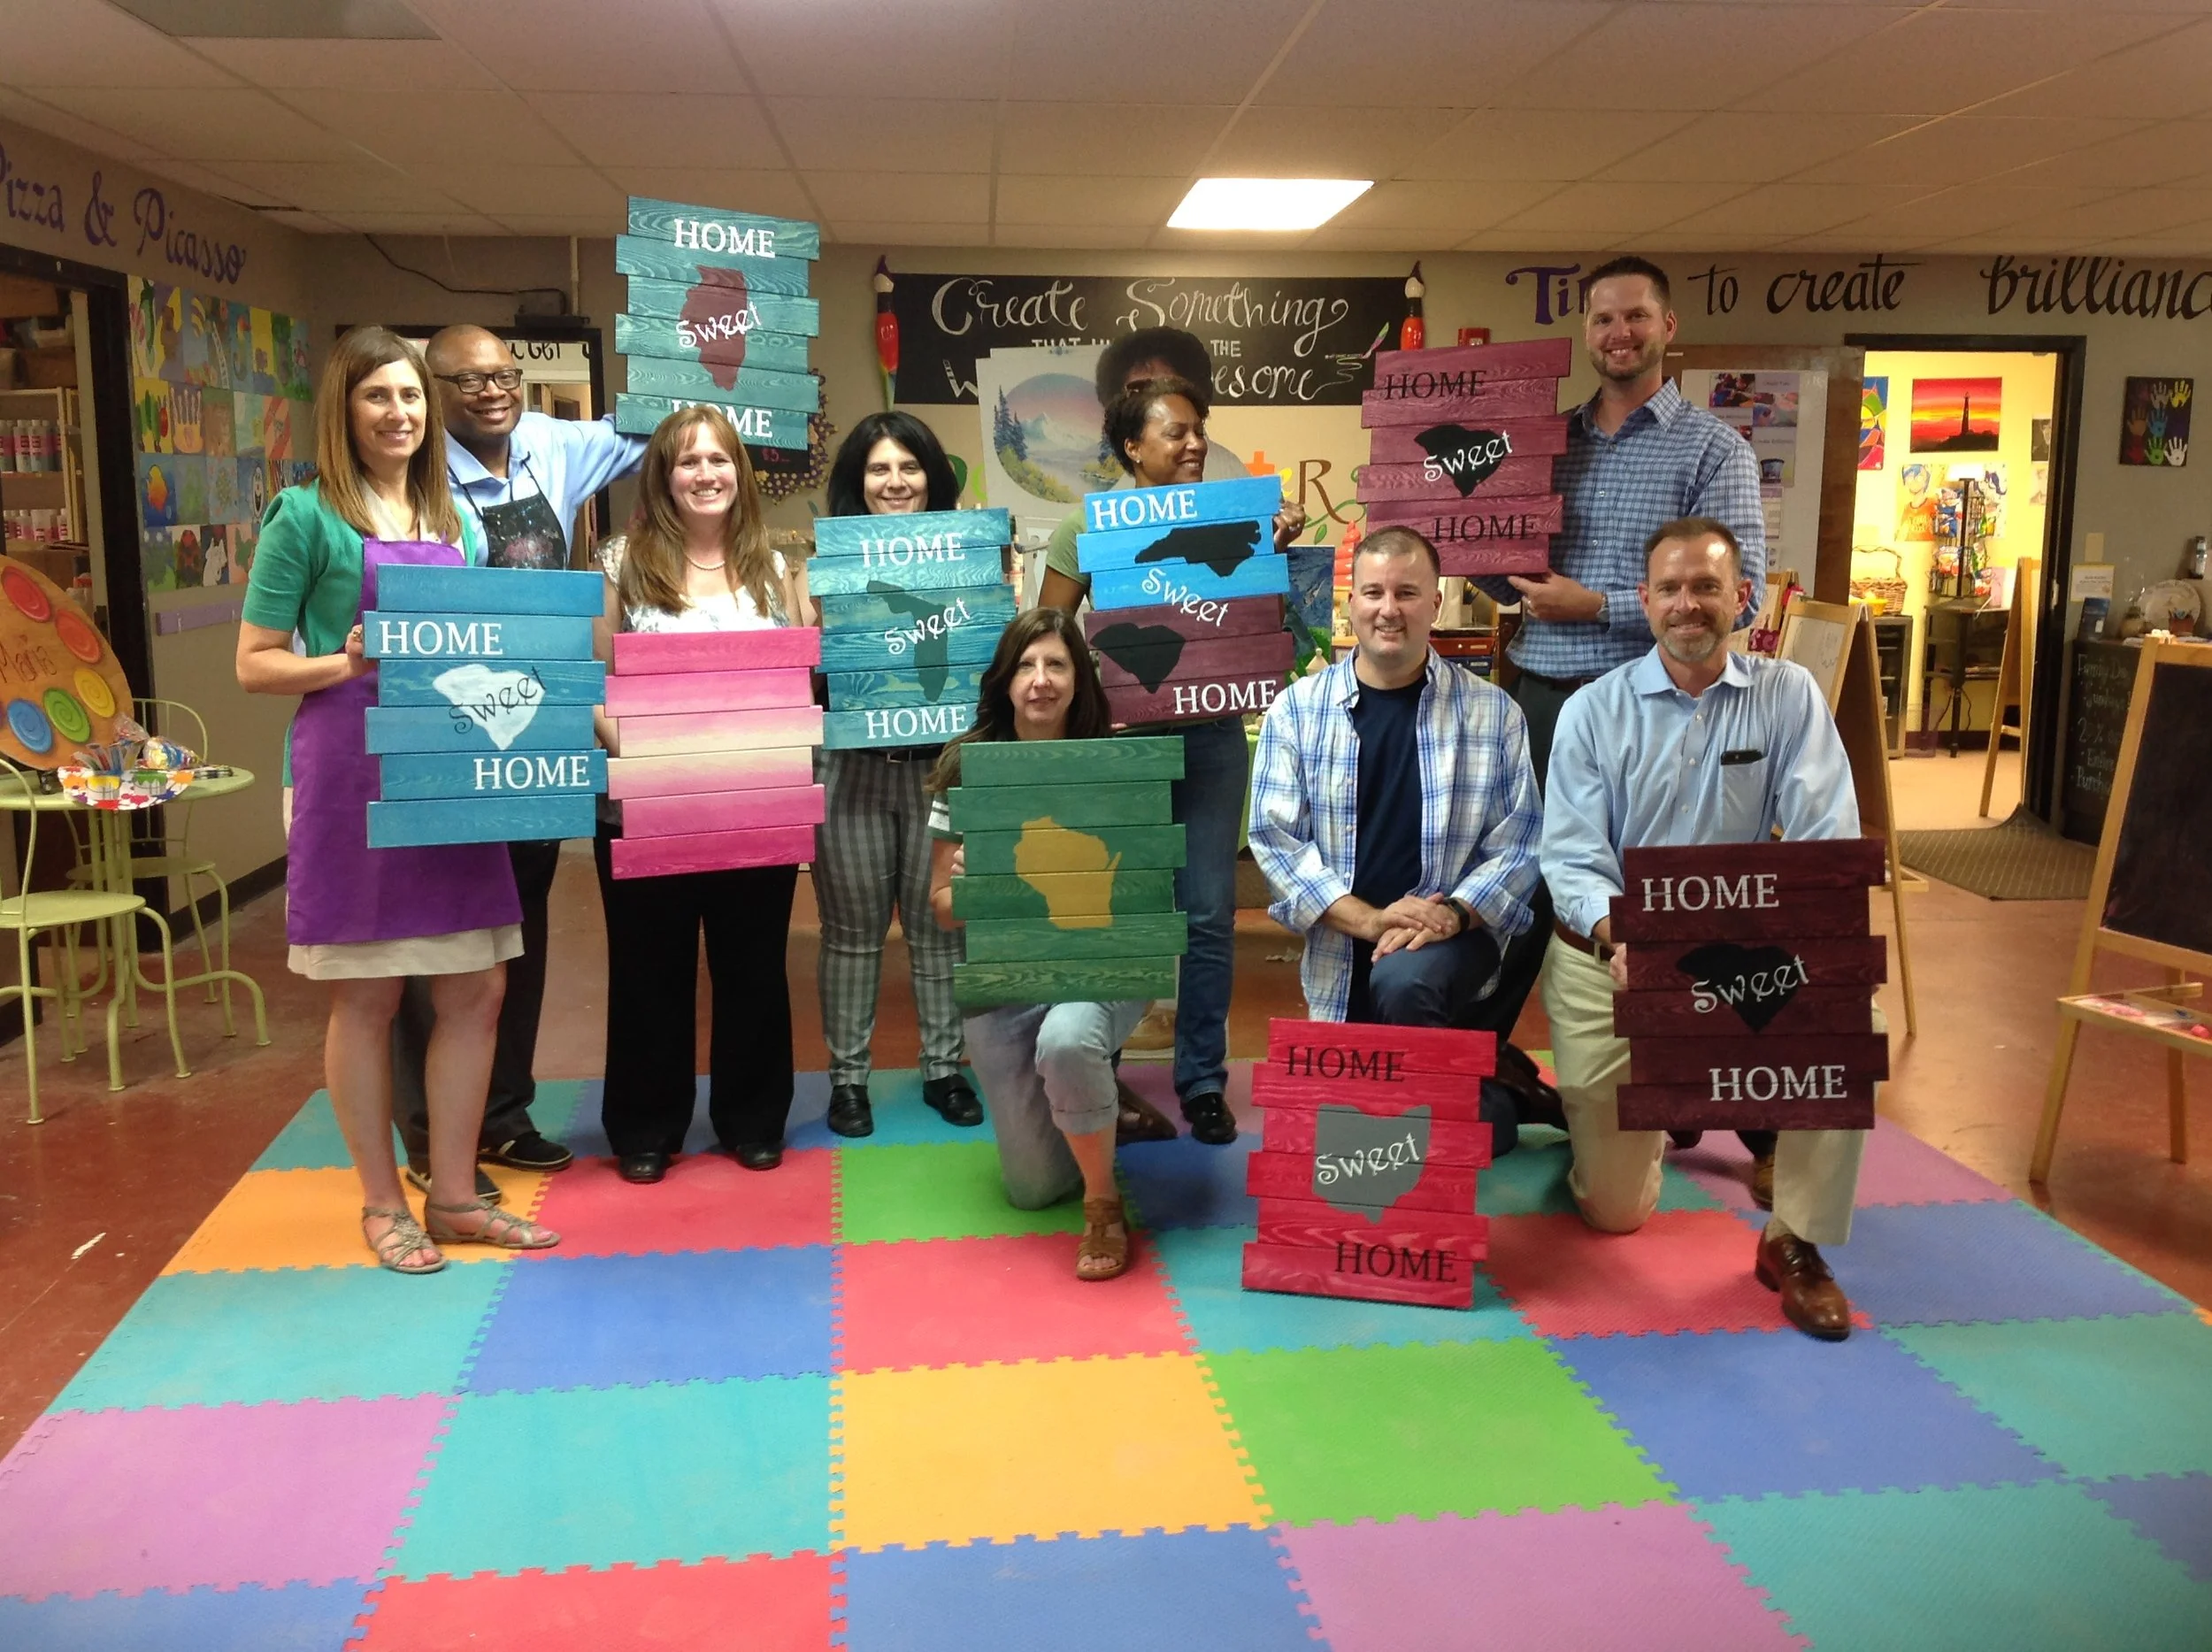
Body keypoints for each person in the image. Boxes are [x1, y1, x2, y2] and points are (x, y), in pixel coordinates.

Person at [235, 325, 558, 1272]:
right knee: (369, 995)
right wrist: (343, 659)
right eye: (378, 396)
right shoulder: (304, 517)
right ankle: (383, 1203)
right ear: (344, 409)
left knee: (476, 985)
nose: (399, 413)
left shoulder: (446, 521)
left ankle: (454, 1193)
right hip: (350, 775)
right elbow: (253, 664)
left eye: (411, 396)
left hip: (446, 765)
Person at [1540, 517, 1875, 1341]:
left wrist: (1796, 948)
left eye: (1707, 587)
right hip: (1611, 954)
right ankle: (1645, 1105)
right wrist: (1634, 944)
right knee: (1615, 1214)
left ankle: (1794, 1238)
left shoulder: (1788, 696)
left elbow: (1827, 844)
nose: (1687, 605)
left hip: (1740, 949)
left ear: (1744, 600)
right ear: (1646, 602)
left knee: (1848, 1010)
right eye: (1670, 589)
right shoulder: (1592, 712)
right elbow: (1573, 863)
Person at [388, 326, 648, 1200]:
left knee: (522, 927)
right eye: (468, 381)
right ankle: (428, 1135)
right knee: (444, 932)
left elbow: (652, 424)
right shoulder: (412, 479)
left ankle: (504, 1114)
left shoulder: (552, 445)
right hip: (448, 724)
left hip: (538, 725)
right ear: (433, 390)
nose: (494, 391)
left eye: (504, 374)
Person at [1037, 376, 1306, 1148]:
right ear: (1131, 447)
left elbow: (1261, 634)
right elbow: (1048, 638)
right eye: (1176, 432)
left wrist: (1269, 552)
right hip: (1121, 743)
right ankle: (1101, 1070)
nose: (1194, 444)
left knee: (1212, 913)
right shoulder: (1083, 526)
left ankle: (1203, 1080)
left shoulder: (1236, 518)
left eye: (1199, 430)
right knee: (1114, 913)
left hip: (1214, 736)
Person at [1248, 526, 1545, 1146]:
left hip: (1446, 944)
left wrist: (1452, 917)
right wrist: (1371, 920)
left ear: (1435, 603)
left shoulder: (1494, 713)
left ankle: (1473, 1103)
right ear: (1351, 602)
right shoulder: (1297, 711)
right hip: (1342, 946)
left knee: (1403, 990)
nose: (1389, 609)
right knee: (1329, 1140)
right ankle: (1500, 1087)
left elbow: (1519, 845)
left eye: (1408, 592)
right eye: (1374, 592)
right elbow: (1274, 839)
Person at [591, 405, 812, 1184]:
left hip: (753, 802)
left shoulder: (776, 570)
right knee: (649, 968)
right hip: (646, 801)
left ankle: (753, 1118)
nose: (706, 474)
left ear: (739, 473)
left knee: (752, 965)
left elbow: (801, 679)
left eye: (719, 459)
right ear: (664, 475)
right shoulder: (620, 561)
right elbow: (595, 685)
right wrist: (652, 753)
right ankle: (647, 1127)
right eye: (688, 461)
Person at [1486, 256, 1767, 782]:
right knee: (1541, 861)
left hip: (1656, 704)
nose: (1620, 333)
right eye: (1603, 320)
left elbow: (1744, 599)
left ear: (1668, 326)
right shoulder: (1542, 445)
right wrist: (1455, 522)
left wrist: (1595, 608)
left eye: (1636, 316)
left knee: (1645, 862)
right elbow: (1507, 582)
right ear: (1587, 332)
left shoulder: (1716, 452)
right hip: (1541, 702)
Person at [925, 608, 1144, 1281]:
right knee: (1032, 1189)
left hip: (1098, 967)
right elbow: (939, 910)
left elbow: (1146, 893)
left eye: (1056, 664)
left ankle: (1104, 1205)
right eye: (1026, 665)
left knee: (1069, 1037)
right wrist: (969, 887)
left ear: (1079, 679)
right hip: (1009, 979)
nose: (1041, 680)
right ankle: (1106, 1101)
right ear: (1004, 680)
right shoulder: (966, 767)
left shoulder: (1119, 759)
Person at [814, 412, 983, 1138]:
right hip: (851, 769)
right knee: (850, 933)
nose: (895, 481)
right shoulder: (825, 565)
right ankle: (848, 1081)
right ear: (858, 483)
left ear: (932, 477)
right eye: (879, 469)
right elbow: (815, 668)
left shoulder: (970, 556)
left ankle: (944, 1069)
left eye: (909, 467)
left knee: (941, 929)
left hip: (941, 769)